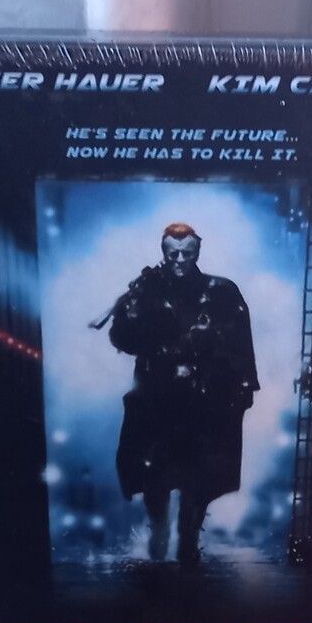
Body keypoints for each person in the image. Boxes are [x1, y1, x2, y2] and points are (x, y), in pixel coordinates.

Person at [108, 222, 259, 565]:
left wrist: (244, 385)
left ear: (197, 252)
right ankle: (160, 530)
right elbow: (122, 338)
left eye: (187, 253)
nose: (179, 260)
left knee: (199, 474)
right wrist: (130, 312)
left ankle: (188, 539)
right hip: (156, 397)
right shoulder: (147, 291)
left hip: (202, 399)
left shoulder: (222, 292)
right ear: (164, 252)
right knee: (153, 472)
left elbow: (241, 341)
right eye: (173, 253)